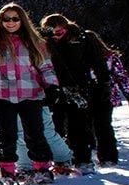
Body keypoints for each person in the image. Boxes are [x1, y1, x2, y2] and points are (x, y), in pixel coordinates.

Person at [0, 3, 58, 185]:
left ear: (22, 20)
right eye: (6, 19)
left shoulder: (34, 43)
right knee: (6, 134)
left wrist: (52, 86)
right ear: (1, 21)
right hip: (3, 95)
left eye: (15, 18)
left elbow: (45, 66)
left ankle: (42, 168)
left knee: (34, 133)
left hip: (30, 93)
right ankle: (7, 171)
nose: (11, 23)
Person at [40, 13, 115, 170]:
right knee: (55, 127)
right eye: (52, 33)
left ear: (66, 28)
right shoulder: (44, 43)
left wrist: (104, 83)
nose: (56, 37)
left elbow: (98, 62)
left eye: (60, 33)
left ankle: (83, 160)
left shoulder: (81, 39)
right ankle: (61, 160)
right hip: (54, 89)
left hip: (79, 87)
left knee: (79, 126)